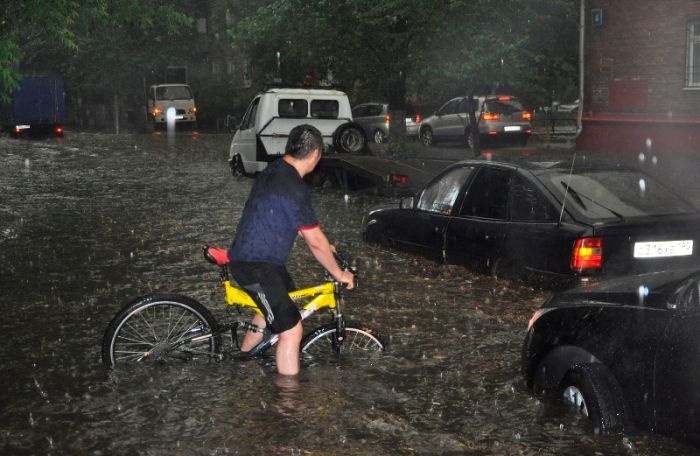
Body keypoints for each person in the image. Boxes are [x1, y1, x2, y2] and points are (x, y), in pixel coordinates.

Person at [228, 124, 355, 376]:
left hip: (258, 259)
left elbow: (285, 217)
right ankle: (289, 403)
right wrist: (339, 273)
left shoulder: (274, 170)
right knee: (292, 330)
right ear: (316, 154)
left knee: (281, 305)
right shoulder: (295, 188)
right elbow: (315, 240)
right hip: (255, 265)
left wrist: (321, 243)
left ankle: (245, 359)